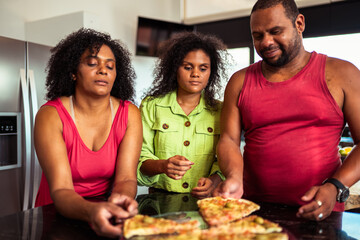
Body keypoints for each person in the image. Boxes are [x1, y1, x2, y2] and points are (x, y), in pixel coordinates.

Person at [213, 0, 360, 222]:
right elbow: (229, 140)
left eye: (275, 31)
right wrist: (234, 177)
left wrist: (335, 186)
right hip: (253, 211)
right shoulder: (239, 81)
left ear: (299, 23)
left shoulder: (343, 73)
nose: (266, 42)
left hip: (319, 214)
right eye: (258, 35)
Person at [34, 28, 142, 237]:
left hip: (105, 213)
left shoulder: (129, 113)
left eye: (110, 66)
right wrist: (92, 210)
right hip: (55, 216)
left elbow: (127, 178)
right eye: (92, 63)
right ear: (73, 72)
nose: (103, 70)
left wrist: (120, 202)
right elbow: (61, 190)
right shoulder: (50, 115)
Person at [137, 31, 229, 199]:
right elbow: (140, 157)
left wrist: (214, 180)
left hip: (204, 201)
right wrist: (162, 166)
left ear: (211, 72)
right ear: (175, 69)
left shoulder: (221, 111)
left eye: (203, 68)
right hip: (158, 201)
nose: (195, 73)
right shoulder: (151, 105)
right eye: (187, 67)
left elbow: (225, 157)